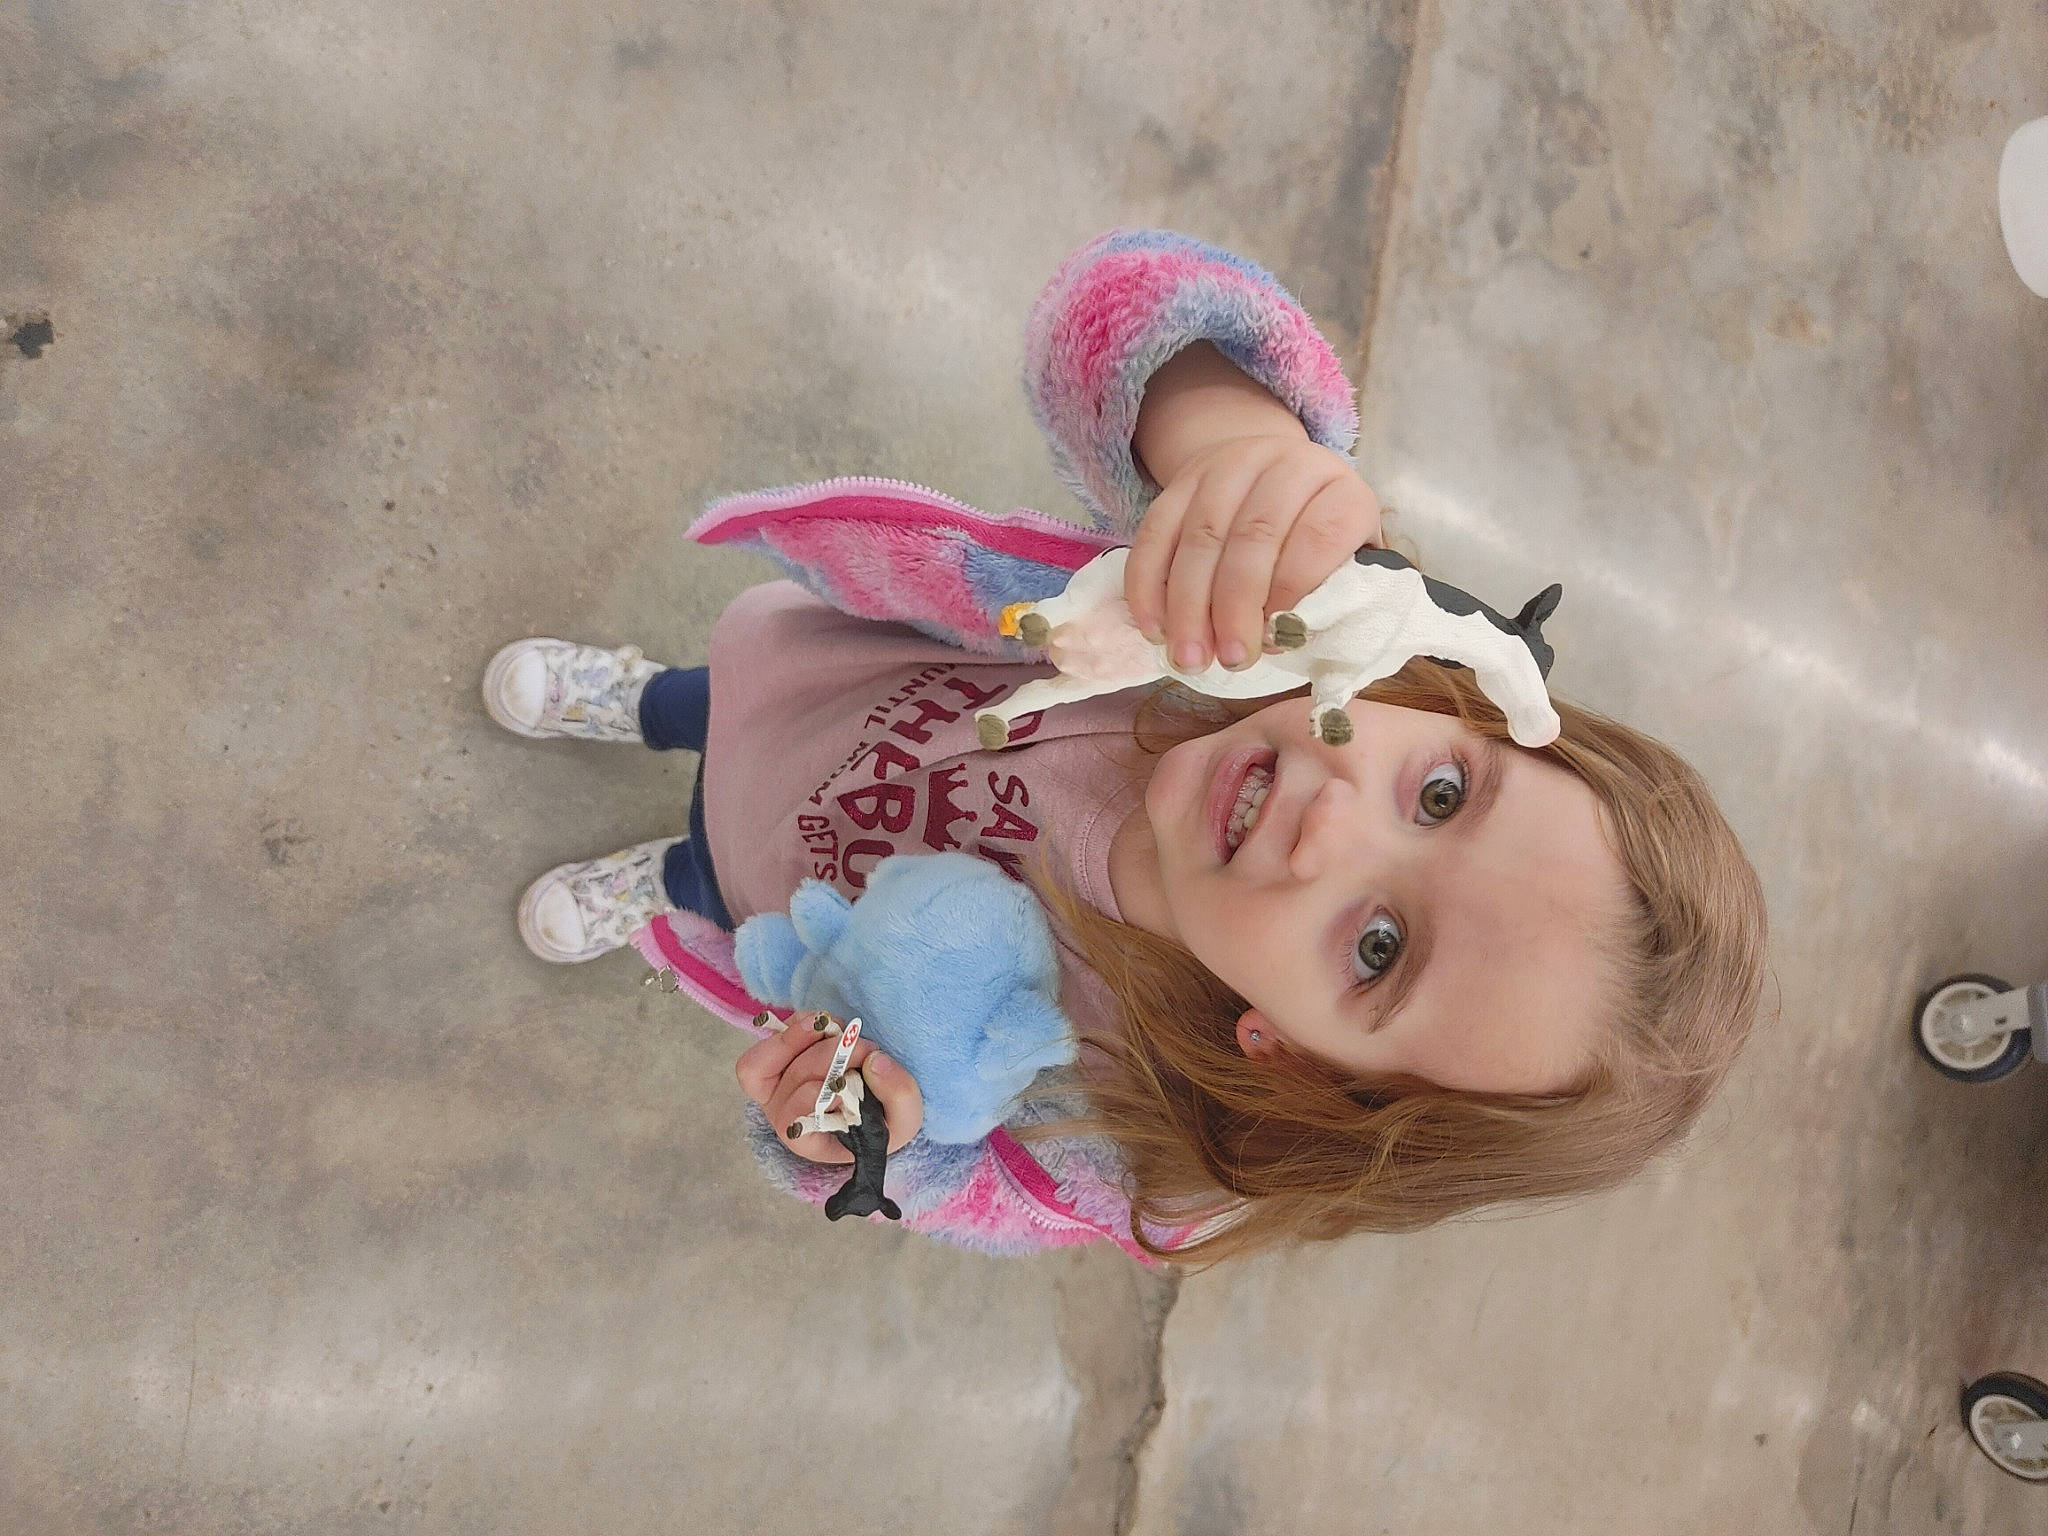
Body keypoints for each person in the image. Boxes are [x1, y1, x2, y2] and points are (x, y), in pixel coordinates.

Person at [481, 230, 1768, 1266]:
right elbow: (1111, 310)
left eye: (1379, 946)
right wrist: (1232, 452)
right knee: (718, 699)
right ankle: (641, 701)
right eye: (1438, 793)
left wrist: (864, 1135)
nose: (1335, 822)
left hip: (789, 900)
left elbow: (944, 1188)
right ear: (1466, 711)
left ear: (1301, 1062)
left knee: (716, 881)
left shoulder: (1124, 1129)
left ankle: (654, 885)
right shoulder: (1259, 624)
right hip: (828, 683)